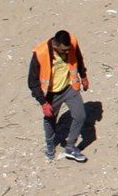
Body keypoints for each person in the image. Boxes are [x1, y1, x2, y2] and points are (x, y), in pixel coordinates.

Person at [27, 30, 90, 162]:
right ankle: (50, 145)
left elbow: (78, 58)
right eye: (64, 50)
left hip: (69, 87)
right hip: (51, 94)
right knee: (50, 119)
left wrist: (83, 76)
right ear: (55, 45)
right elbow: (32, 82)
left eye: (68, 50)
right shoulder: (41, 53)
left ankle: (70, 147)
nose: (67, 53)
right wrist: (43, 103)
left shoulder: (72, 43)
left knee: (80, 115)